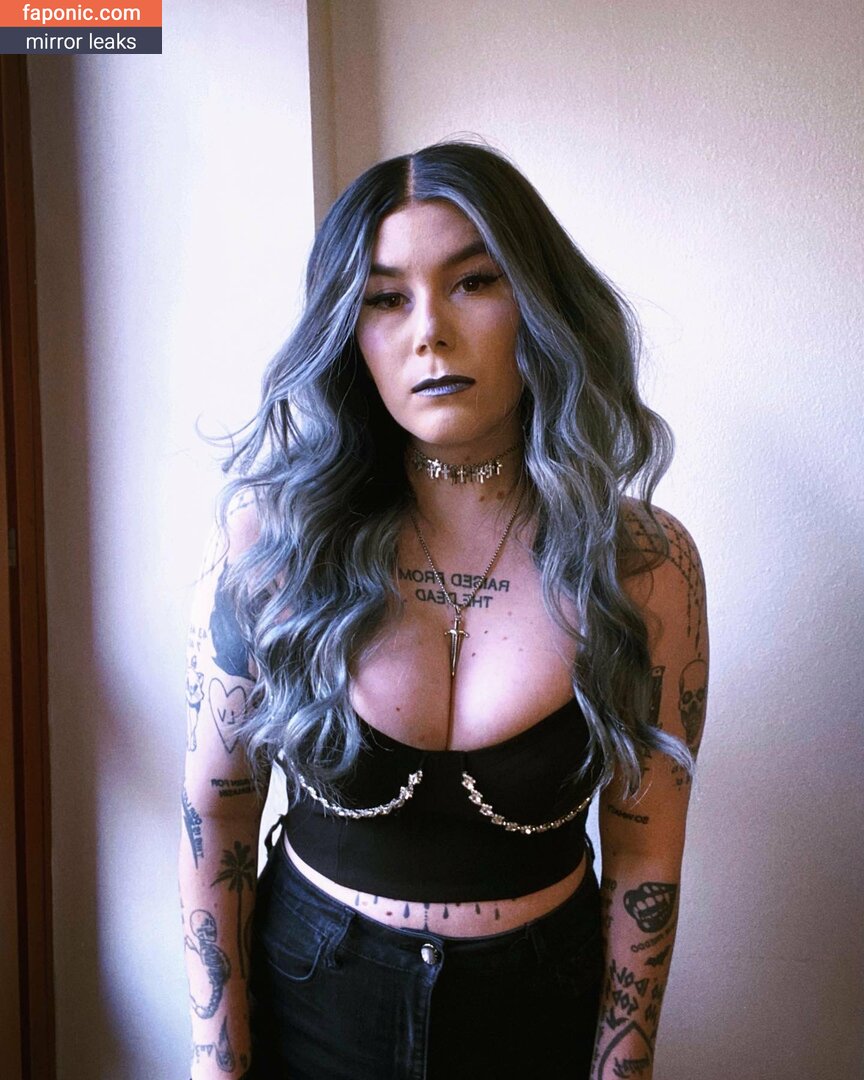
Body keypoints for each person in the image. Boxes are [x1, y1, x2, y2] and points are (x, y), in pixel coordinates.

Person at [179, 141, 709, 1080]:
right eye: (385, 298)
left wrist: (622, 1071)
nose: (430, 332)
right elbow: (215, 822)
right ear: (347, 330)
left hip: (541, 1018)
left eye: (473, 282)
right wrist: (218, 1065)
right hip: (313, 1006)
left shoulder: (643, 565)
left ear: (537, 303)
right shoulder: (271, 549)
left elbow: (645, 855)